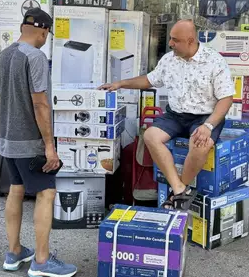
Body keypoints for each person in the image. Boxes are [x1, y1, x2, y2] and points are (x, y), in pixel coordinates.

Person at [99, 20, 234, 210]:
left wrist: (209, 126)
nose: (170, 43)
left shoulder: (214, 61)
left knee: (200, 144)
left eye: (175, 40)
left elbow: (226, 99)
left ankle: (179, 190)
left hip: (205, 116)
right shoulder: (169, 59)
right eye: (171, 38)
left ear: (190, 40)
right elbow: (148, 80)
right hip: (175, 115)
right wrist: (120, 84)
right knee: (150, 136)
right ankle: (179, 190)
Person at [0, 8, 77, 277]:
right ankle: (41, 261)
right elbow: (40, 104)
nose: (45, 39)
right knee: (46, 193)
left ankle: (14, 251)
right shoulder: (36, 57)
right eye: (46, 34)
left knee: (16, 189)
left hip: (7, 140)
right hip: (30, 143)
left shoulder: (3, 55)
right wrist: (49, 147)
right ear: (43, 31)